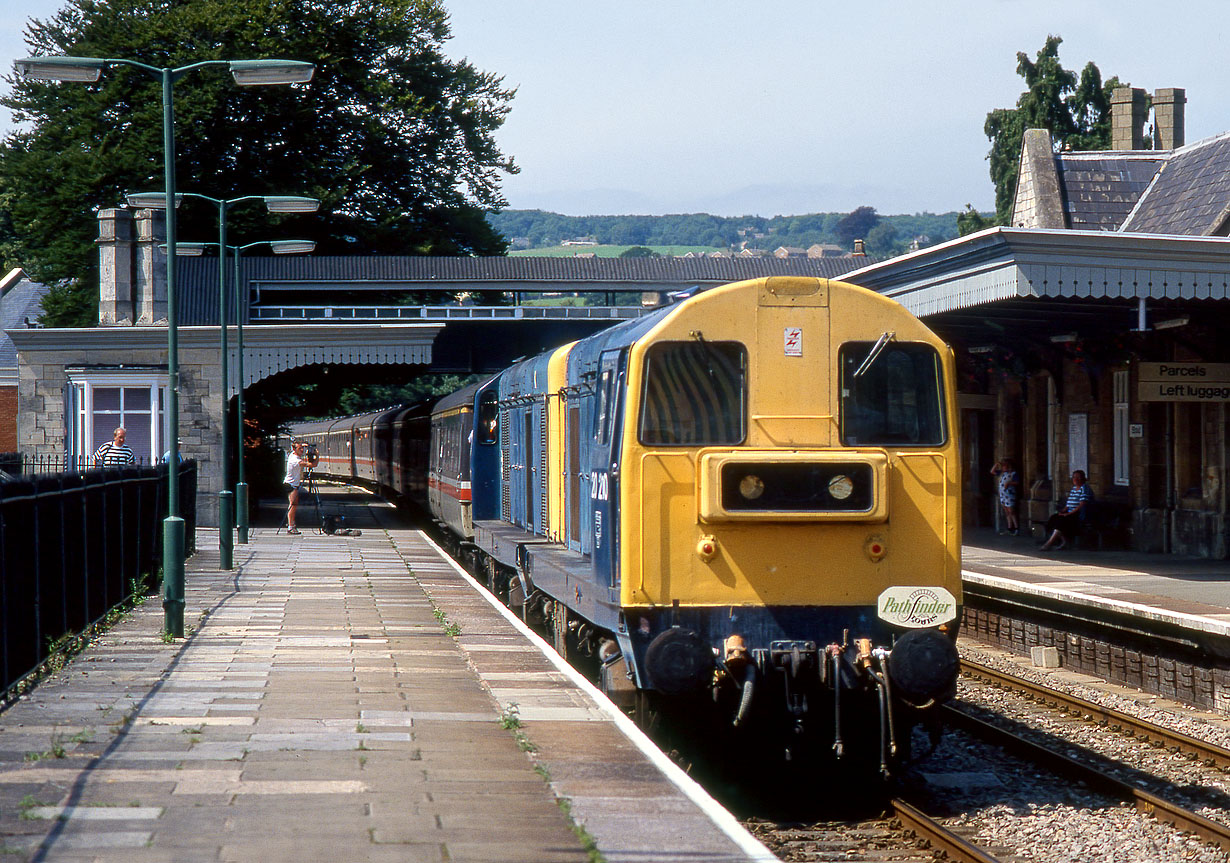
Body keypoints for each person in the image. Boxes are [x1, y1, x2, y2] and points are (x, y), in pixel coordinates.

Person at [1040, 469, 1094, 551]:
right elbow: (1069, 504)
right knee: (1054, 518)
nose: (1075, 479)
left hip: (1078, 514)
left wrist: (1068, 514)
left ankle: (1049, 543)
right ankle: (1063, 541)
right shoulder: (1073, 489)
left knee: (1062, 521)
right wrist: (1063, 511)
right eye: (1074, 477)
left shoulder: (1085, 488)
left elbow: (1082, 505)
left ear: (1083, 479)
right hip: (1069, 512)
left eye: (1078, 477)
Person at [283, 440, 318, 535]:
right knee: (293, 505)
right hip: (291, 484)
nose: (302, 450)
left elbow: (297, 451)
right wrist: (317, 456)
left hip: (292, 483)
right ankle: (290, 526)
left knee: (293, 504)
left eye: (302, 448)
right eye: (300, 448)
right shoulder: (296, 460)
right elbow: (313, 465)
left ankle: (291, 523)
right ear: (294, 449)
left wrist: (306, 446)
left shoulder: (292, 455)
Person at [990, 458, 1021, 535]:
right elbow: (992, 471)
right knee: (1007, 512)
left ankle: (1016, 528)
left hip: (1009, 494)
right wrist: (997, 464)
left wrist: (1009, 483)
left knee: (1012, 511)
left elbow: (1017, 482)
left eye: (1004, 466)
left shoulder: (1013, 473)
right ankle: (1009, 528)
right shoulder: (1001, 473)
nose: (1002, 467)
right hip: (1002, 494)